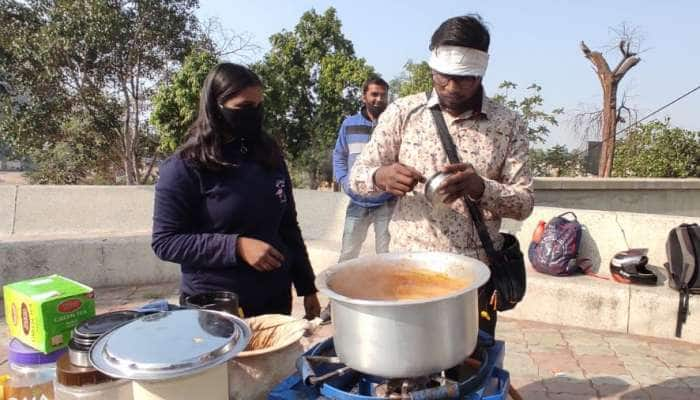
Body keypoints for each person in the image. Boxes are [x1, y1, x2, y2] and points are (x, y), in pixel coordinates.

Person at [349, 15, 534, 335]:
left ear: (480, 72)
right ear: (432, 67)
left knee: (470, 369)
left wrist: (481, 188)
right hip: (407, 274)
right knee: (404, 369)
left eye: (462, 79)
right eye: (441, 76)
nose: (450, 87)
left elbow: (524, 203)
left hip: (475, 282)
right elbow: (357, 178)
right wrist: (380, 176)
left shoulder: (508, 124)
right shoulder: (403, 113)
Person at [151, 63, 321, 319]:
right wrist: (236, 246)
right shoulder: (185, 166)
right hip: (215, 305)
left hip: (273, 301)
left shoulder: (269, 155)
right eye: (243, 108)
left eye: (258, 106)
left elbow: (287, 225)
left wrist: (307, 286)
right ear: (215, 108)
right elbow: (165, 242)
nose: (253, 115)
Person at [332, 77, 395, 262]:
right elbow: (339, 155)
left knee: (386, 256)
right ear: (364, 97)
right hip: (357, 201)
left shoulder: (393, 124)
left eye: (383, 95)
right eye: (374, 94)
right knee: (348, 255)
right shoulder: (349, 124)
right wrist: (344, 181)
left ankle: (386, 291)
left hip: (386, 201)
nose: (379, 99)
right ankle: (343, 290)